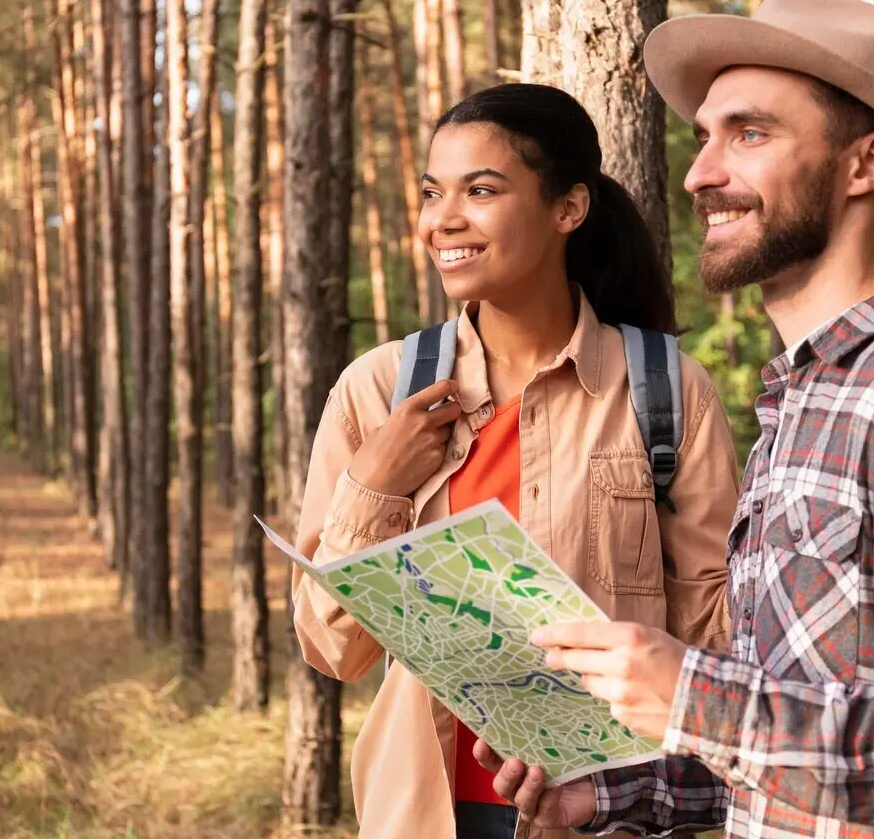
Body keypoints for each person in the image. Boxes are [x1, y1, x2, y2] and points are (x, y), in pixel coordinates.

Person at [477, 0, 874, 839]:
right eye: (704, 138)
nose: (700, 173)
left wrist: (696, 697)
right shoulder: (805, 404)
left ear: (864, 165)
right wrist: (621, 791)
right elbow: (798, 742)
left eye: (750, 133)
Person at [288, 83, 742, 839]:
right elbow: (333, 647)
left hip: (609, 813)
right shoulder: (378, 390)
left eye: (482, 190)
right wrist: (375, 484)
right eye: (433, 193)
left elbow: (712, 640)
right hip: (427, 811)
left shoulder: (665, 392)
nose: (444, 220)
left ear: (568, 208)